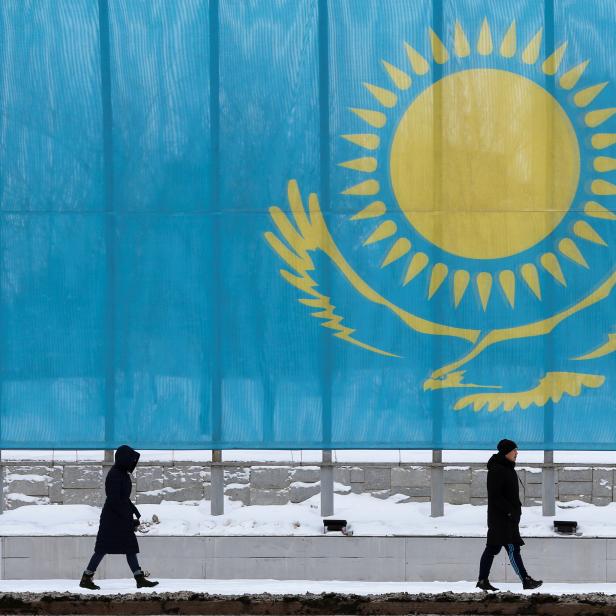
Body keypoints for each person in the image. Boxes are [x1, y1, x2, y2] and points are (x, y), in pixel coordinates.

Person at [79, 445, 159, 590]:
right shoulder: (115, 474)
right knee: (102, 548)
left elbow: (122, 499)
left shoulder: (121, 473)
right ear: (124, 459)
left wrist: (132, 514)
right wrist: (129, 519)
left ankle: (139, 578)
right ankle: (86, 578)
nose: (132, 463)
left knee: (130, 547)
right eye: (130, 459)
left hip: (119, 516)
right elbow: (115, 500)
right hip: (112, 519)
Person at [476, 439, 543, 592]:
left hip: (504, 518)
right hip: (502, 519)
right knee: (513, 548)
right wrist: (510, 511)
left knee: (492, 549)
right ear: (506, 452)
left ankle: (482, 580)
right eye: (514, 450)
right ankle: (525, 580)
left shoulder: (506, 468)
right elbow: (495, 495)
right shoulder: (498, 470)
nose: (517, 453)